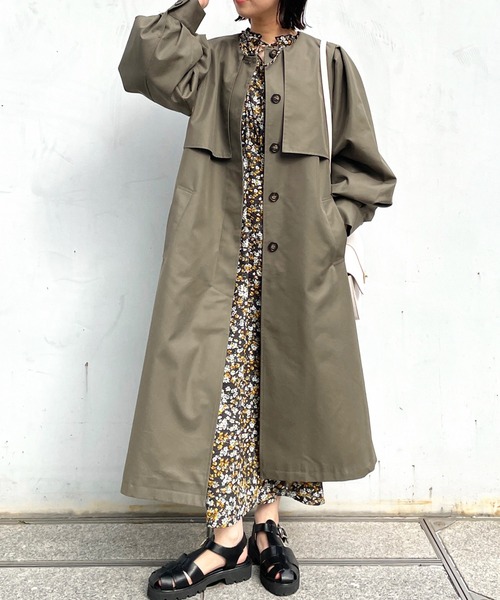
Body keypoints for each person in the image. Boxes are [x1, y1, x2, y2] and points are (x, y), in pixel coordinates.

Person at [118, 0, 397, 598]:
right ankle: (227, 540)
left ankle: (266, 530)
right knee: (222, 396)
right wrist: (196, 2)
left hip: (297, 266)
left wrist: (332, 227)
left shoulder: (327, 63)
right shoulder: (211, 60)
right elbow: (145, 60)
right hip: (219, 266)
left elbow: (365, 171)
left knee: (280, 392)